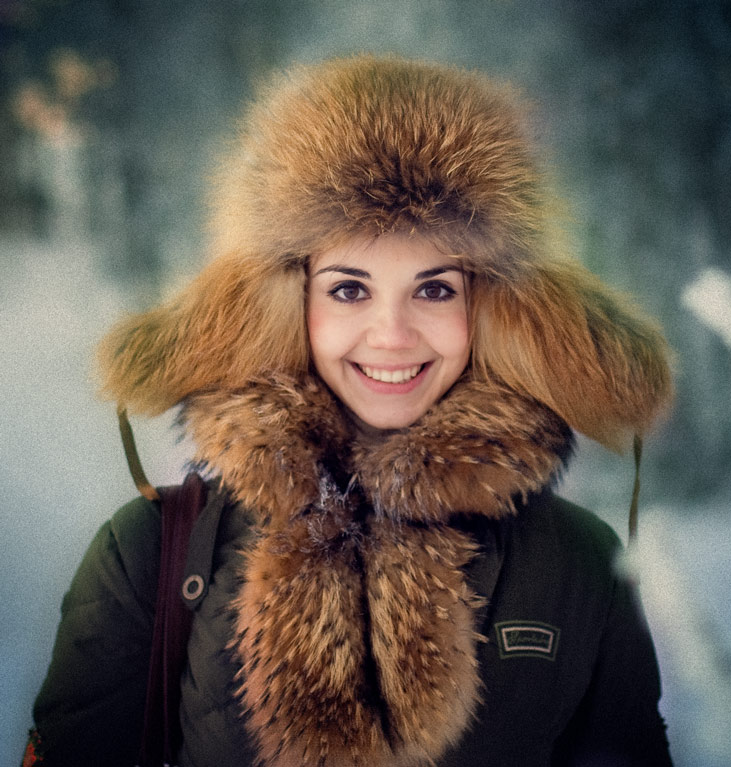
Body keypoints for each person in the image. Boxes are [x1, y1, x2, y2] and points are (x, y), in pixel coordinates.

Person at [28, 55, 674, 766]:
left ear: (492, 308)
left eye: (434, 290)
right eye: (348, 289)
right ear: (284, 304)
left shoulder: (580, 564)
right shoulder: (149, 551)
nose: (391, 334)